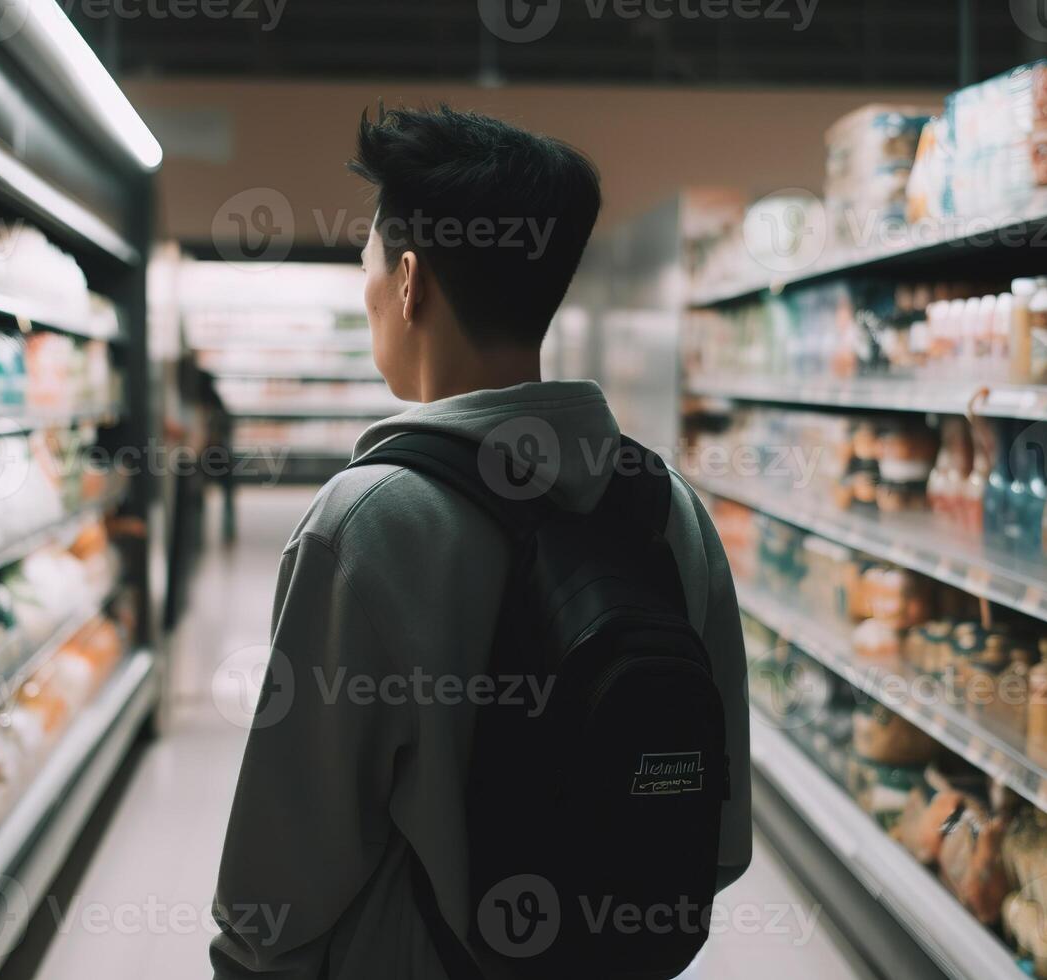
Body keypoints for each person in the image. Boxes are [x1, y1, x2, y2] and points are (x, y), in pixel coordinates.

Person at [210, 104, 751, 979]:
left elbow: (281, 883)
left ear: (411, 281)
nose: (369, 293)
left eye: (369, 269)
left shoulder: (364, 524)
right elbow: (716, 844)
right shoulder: (671, 513)